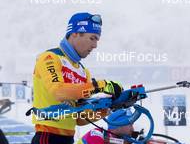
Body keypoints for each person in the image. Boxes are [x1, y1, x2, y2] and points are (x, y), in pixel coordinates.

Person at [31, 12, 123, 144]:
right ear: (75, 33)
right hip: (47, 135)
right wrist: (100, 86)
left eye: (97, 40)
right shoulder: (50, 58)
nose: (95, 45)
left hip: (68, 138)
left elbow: (79, 118)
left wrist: (107, 109)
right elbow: (59, 92)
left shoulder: (83, 71)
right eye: (92, 38)